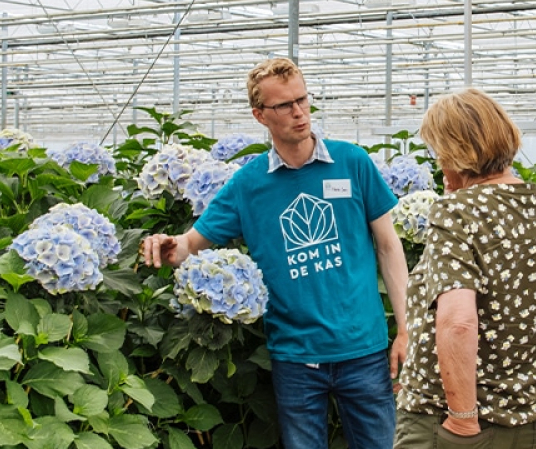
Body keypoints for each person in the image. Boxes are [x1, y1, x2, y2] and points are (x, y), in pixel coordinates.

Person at [141, 57, 409, 449]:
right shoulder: (248, 185)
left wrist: (405, 329)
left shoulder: (352, 162)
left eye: (302, 99)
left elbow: (388, 245)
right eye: (284, 105)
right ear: (260, 115)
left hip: (363, 349)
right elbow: (191, 244)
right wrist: (169, 246)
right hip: (295, 357)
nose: (299, 112)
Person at [394, 88, 536, 448]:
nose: (438, 163)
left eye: (439, 152)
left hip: (455, 420)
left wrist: (462, 418)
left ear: (454, 152)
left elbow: (458, 321)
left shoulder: (457, 211)